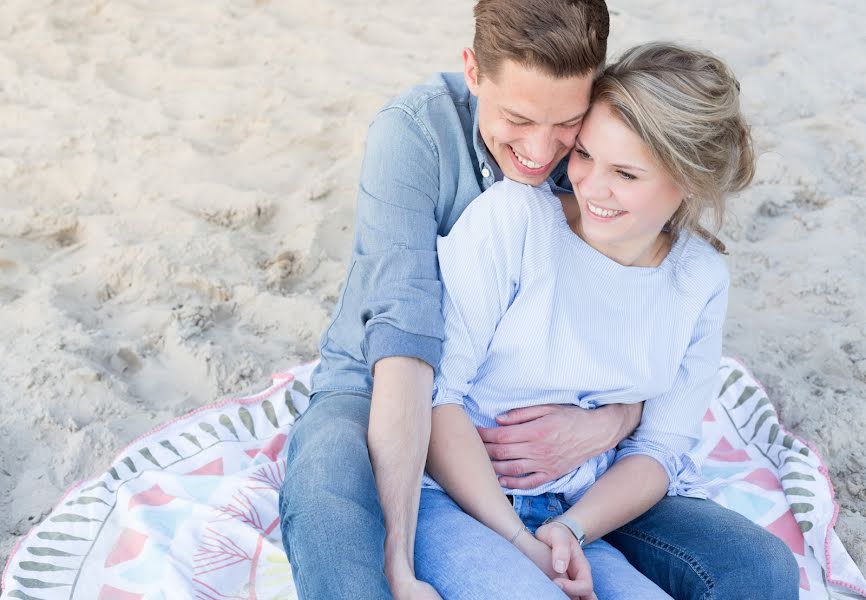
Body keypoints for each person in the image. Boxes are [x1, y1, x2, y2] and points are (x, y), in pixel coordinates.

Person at [278, 2, 799, 598]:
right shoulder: (423, 139)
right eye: (519, 118)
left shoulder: (607, 166)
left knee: (755, 568)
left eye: (567, 127)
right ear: (473, 72)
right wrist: (399, 561)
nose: (541, 153)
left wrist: (611, 422)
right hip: (382, 379)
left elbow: (636, 382)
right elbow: (410, 346)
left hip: (569, 470)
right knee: (332, 507)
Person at [414, 41, 797, 600]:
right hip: (458, 496)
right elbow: (436, 397)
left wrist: (571, 530)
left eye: (625, 173)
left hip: (589, 507)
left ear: (687, 180)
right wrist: (522, 543)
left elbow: (659, 449)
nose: (590, 186)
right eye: (586, 154)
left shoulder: (699, 277)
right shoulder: (516, 221)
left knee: (761, 574)